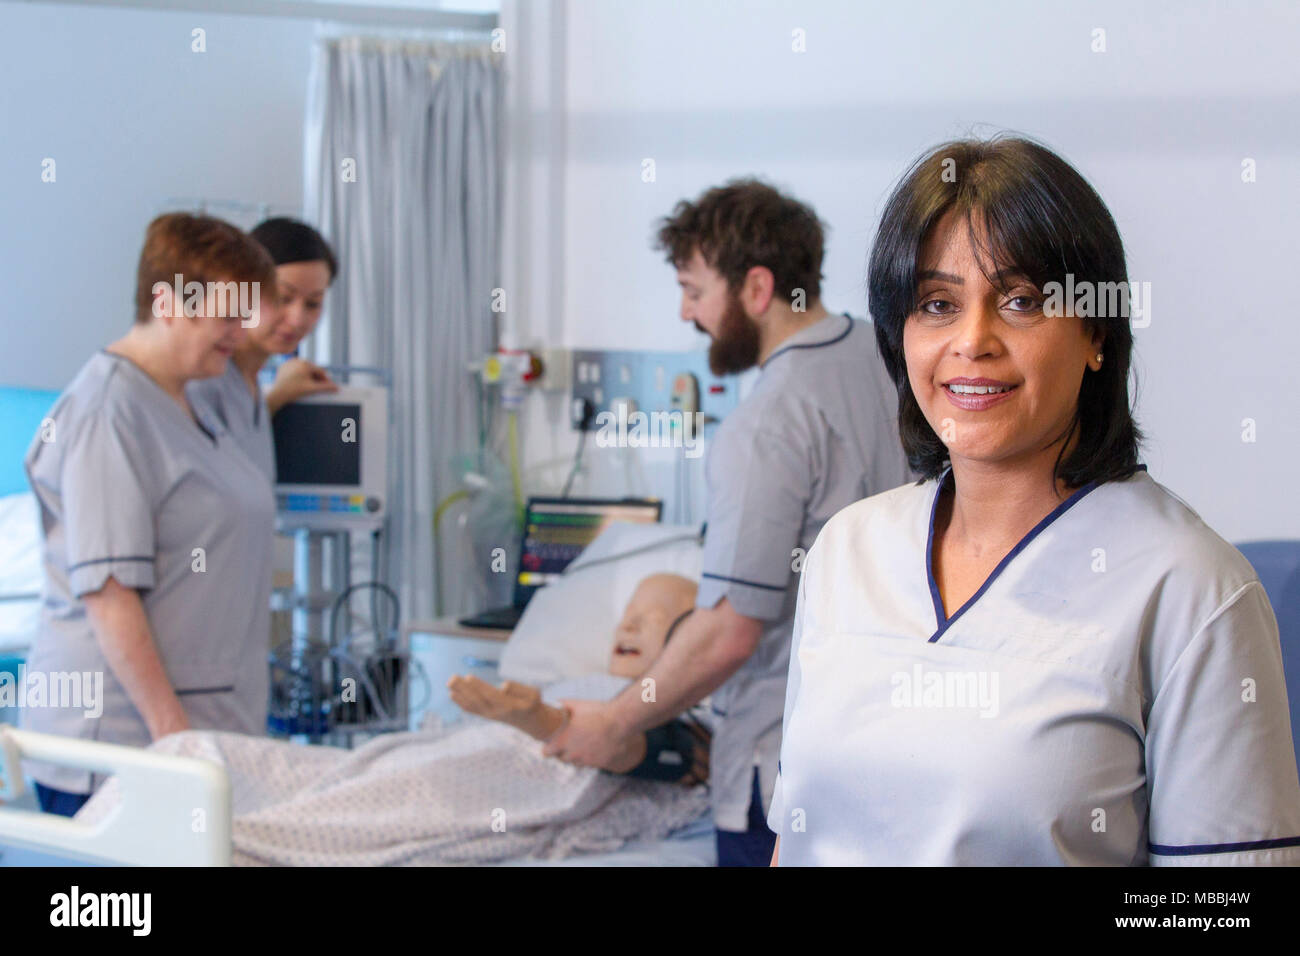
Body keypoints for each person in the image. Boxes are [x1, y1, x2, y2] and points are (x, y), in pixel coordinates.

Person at [768, 135, 1300, 866]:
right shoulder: (847, 551)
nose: (973, 340)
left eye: (1020, 301)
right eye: (937, 304)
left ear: (1097, 335)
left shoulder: (1190, 587)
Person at [541, 180, 912, 866]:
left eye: (693, 289)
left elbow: (730, 633)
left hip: (780, 771)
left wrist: (617, 720)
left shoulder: (767, 422)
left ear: (757, 288)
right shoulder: (892, 358)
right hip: (893, 760)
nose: (687, 312)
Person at [23, 213, 279, 816]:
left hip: (201, 733)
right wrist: (176, 744)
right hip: (121, 742)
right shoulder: (108, 412)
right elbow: (111, 597)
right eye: (226, 314)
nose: (240, 333)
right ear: (168, 303)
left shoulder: (194, 400)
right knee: (119, 915)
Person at [450, 573, 709, 785]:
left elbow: (668, 753)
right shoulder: (581, 684)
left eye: (655, 619)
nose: (628, 626)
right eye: (627, 615)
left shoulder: (680, 708)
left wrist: (542, 721)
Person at [187, 217, 339, 480]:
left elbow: (236, 444)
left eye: (313, 304)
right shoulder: (205, 383)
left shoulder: (250, 383)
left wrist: (278, 396)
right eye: (283, 298)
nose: (297, 319)